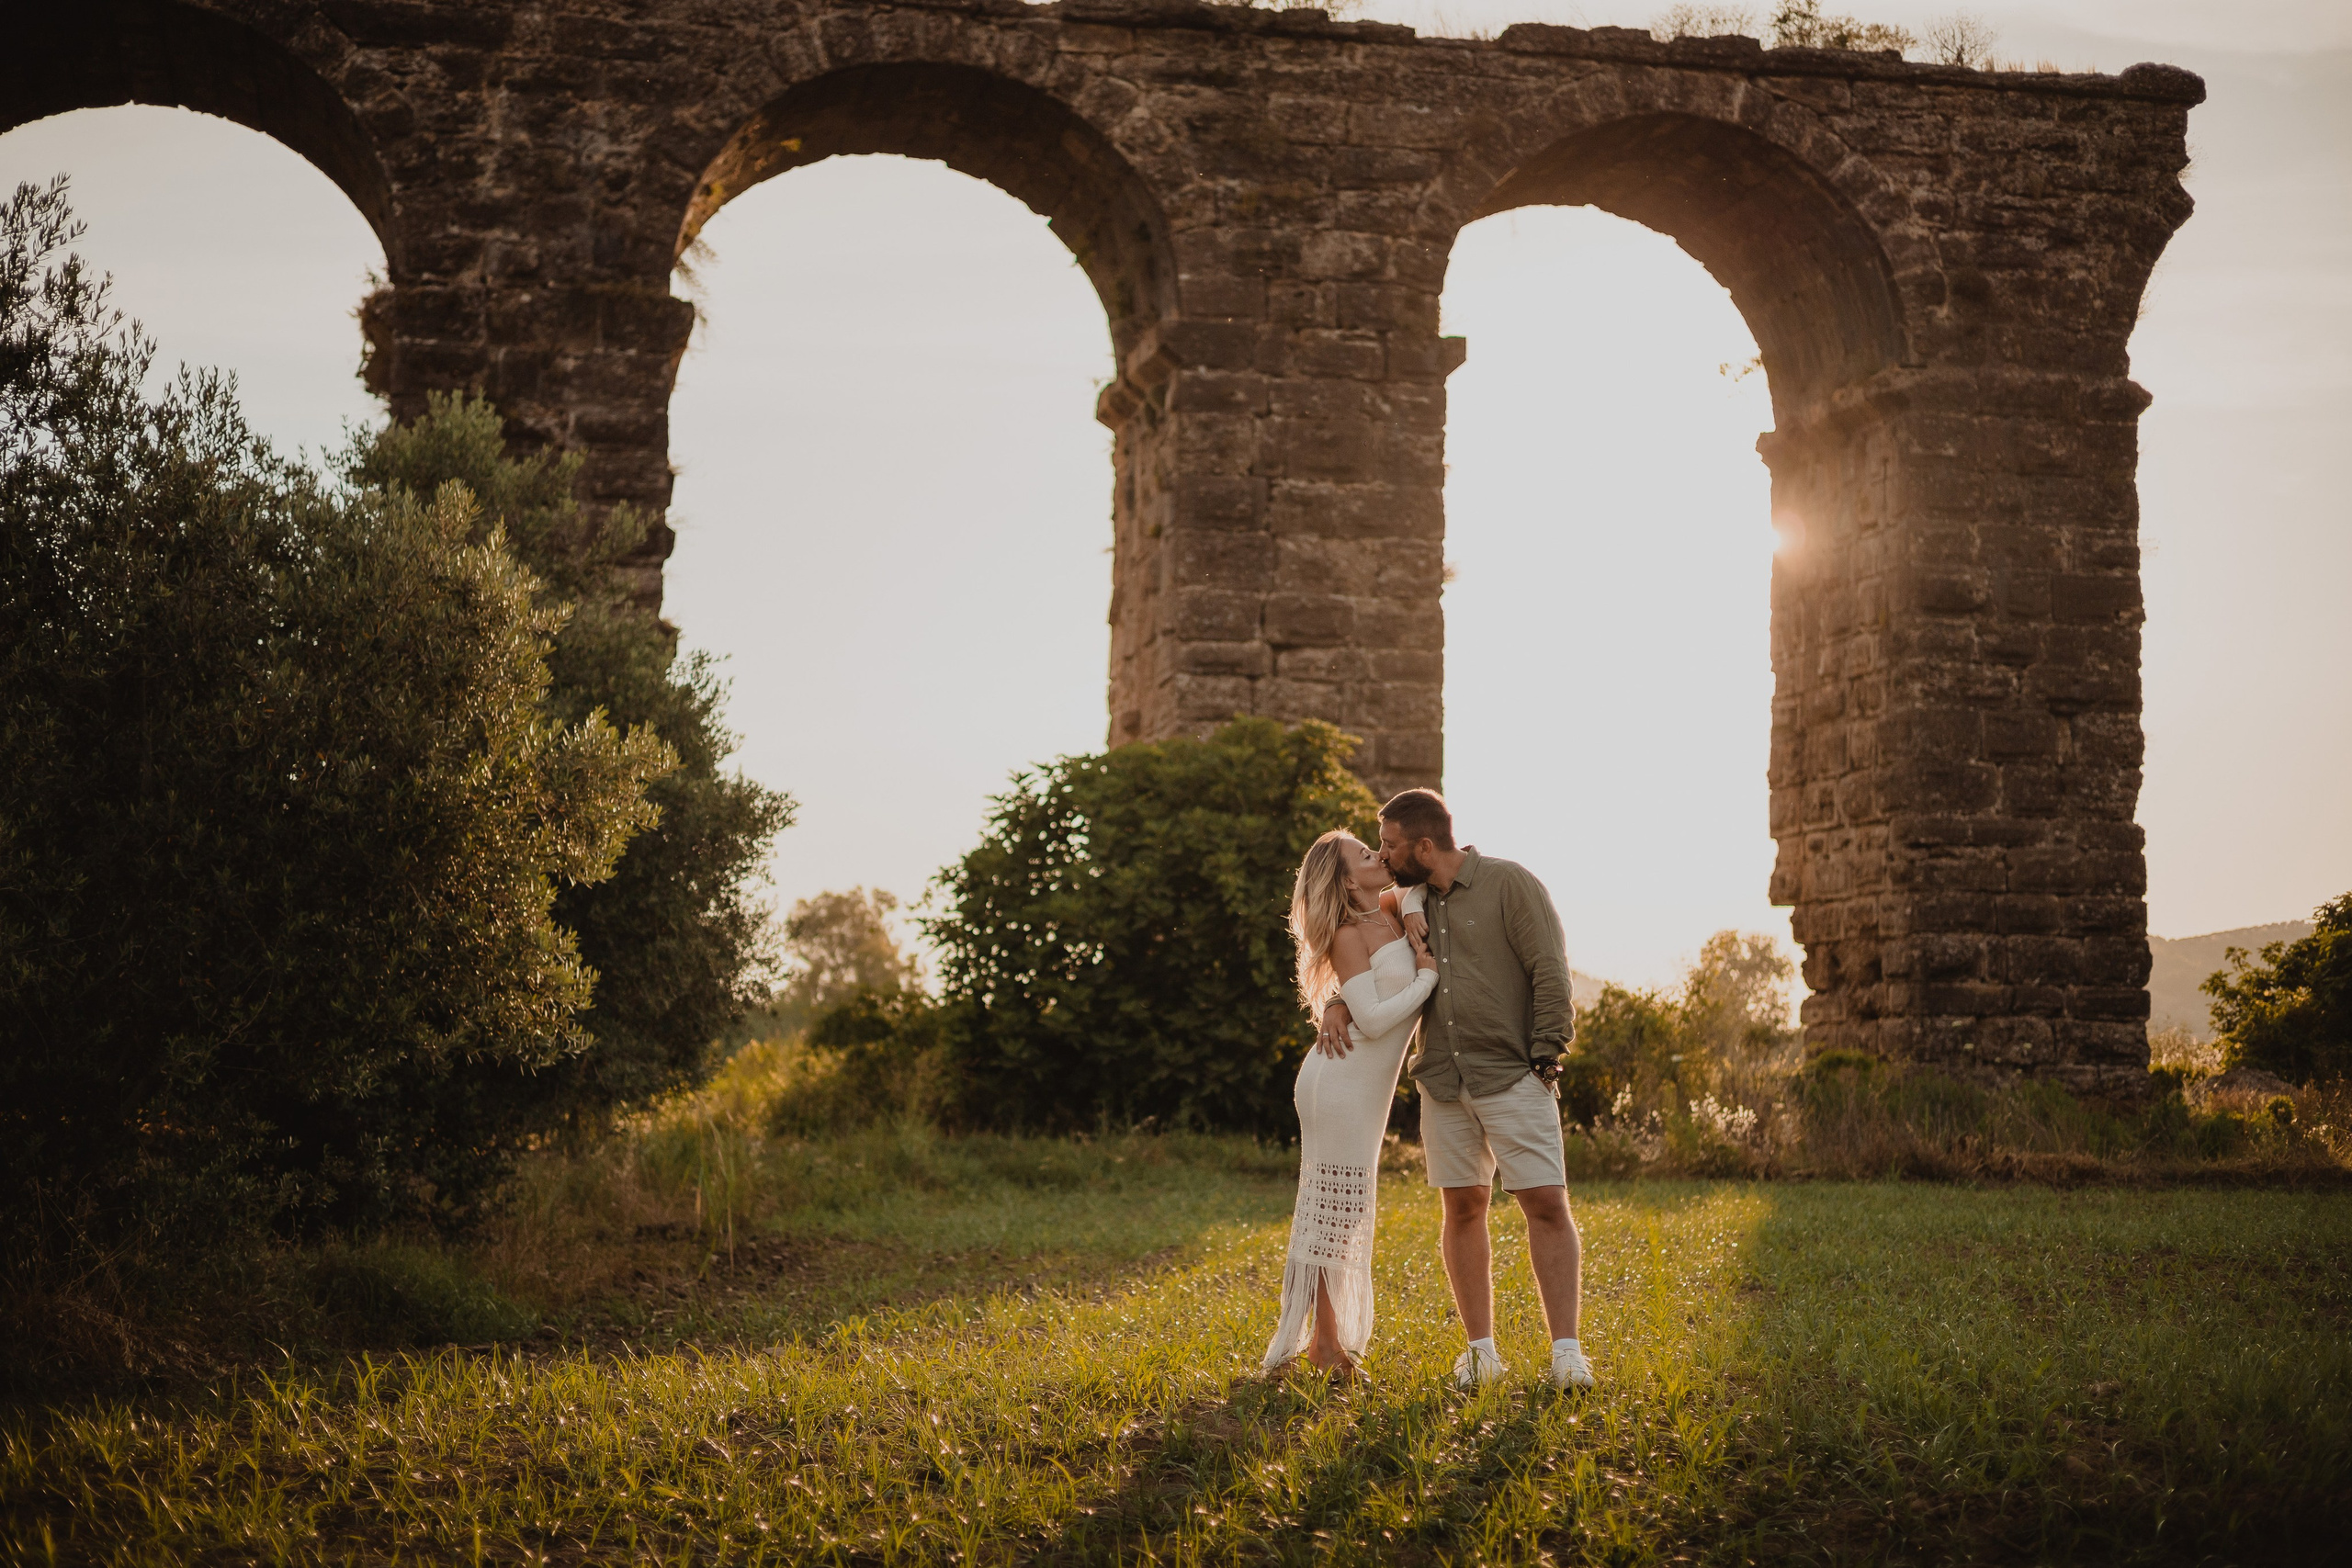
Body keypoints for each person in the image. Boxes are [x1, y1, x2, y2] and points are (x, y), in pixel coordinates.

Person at [1317, 788, 1595, 1391]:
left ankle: (1567, 1353)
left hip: (1513, 1074)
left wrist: (1546, 1056)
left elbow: (1550, 967)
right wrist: (1338, 1001)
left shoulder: (1509, 884)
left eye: (1389, 844)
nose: (1382, 855)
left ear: (1423, 845)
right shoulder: (1404, 899)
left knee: (1545, 1202)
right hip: (1442, 1080)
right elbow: (1366, 956)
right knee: (1463, 1208)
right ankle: (1481, 1352)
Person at [1262, 829, 1439, 1384]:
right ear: (1343, 879)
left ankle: (1325, 1343)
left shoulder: (1388, 906)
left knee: (1342, 1210)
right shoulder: (1344, 934)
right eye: (1365, 855)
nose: (1379, 855)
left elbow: (1418, 888)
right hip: (1338, 1083)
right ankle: (1324, 1345)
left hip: (1362, 1085)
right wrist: (1428, 975)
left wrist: (1410, 917)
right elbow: (1379, 1017)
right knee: (1332, 1211)